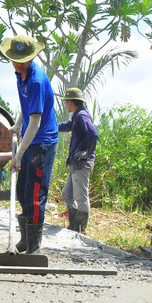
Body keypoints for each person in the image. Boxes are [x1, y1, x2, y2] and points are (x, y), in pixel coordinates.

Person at [0, 35, 59, 254]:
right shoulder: (20, 74)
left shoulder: (36, 80)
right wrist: (17, 124)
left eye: (22, 60)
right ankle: (25, 239)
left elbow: (34, 122)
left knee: (35, 195)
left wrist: (18, 155)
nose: (17, 64)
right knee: (23, 192)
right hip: (28, 138)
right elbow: (25, 107)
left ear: (31, 58)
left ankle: (33, 247)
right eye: (15, 59)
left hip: (41, 142)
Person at [57, 87, 98, 234]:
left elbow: (93, 135)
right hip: (75, 162)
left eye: (66, 102)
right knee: (67, 193)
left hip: (82, 163)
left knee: (81, 197)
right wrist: (51, 127)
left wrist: (88, 153)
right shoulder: (76, 117)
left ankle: (81, 229)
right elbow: (67, 126)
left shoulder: (82, 116)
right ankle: (74, 225)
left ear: (70, 101)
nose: (65, 105)